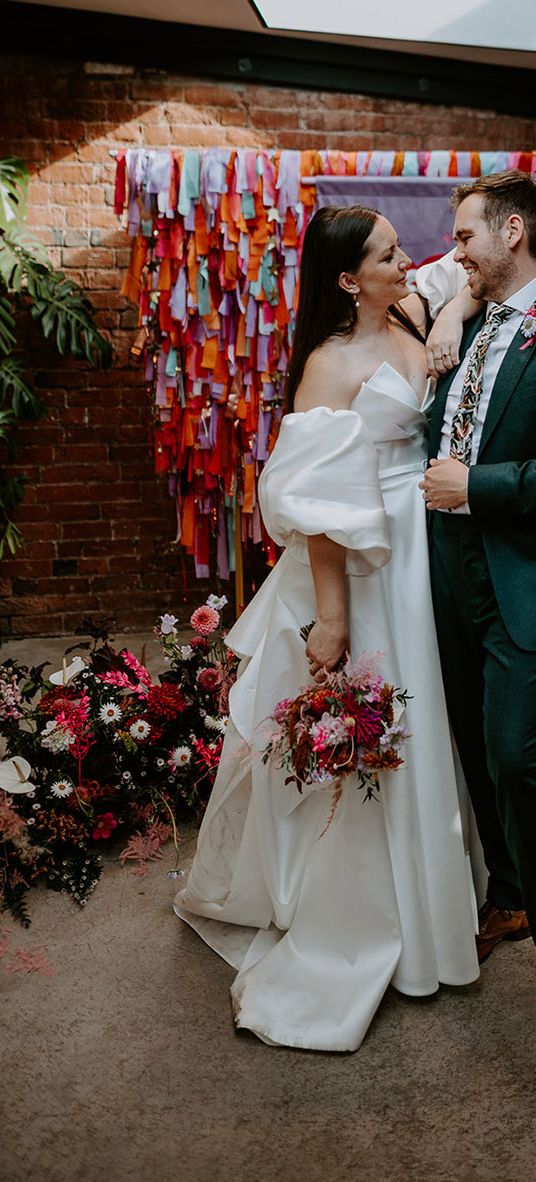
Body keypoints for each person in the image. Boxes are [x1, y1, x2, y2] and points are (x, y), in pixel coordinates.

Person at [174, 205, 480, 1053]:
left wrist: (451, 309)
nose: (408, 261)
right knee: (387, 730)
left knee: (431, 724)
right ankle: (369, 930)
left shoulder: (414, 307)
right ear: (350, 279)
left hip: (424, 549)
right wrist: (334, 619)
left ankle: (440, 906)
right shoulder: (327, 366)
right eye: (389, 254)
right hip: (367, 564)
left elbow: (458, 275)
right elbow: (316, 510)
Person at [419, 170, 536, 963]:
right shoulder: (470, 314)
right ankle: (508, 895)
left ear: (513, 233)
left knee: (514, 753)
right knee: (467, 738)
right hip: (446, 562)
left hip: (517, 563)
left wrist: (478, 487)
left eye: (466, 237)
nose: (454, 252)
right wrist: (460, 305)